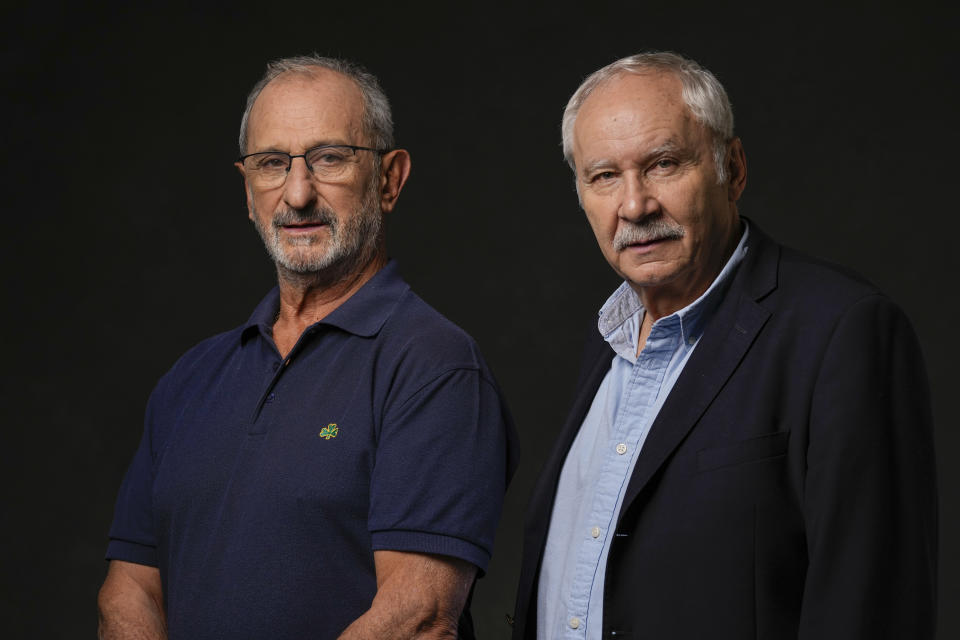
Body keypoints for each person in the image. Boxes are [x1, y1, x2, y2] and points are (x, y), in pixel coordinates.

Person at [512, 52, 937, 639]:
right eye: (604, 176)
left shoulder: (841, 330)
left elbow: (870, 607)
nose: (634, 206)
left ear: (731, 169)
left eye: (663, 164)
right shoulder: (609, 341)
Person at [98, 55, 518, 640]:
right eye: (272, 164)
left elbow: (416, 619)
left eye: (329, 158)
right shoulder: (190, 380)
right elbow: (131, 592)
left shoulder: (434, 368)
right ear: (248, 190)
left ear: (390, 180)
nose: (297, 194)